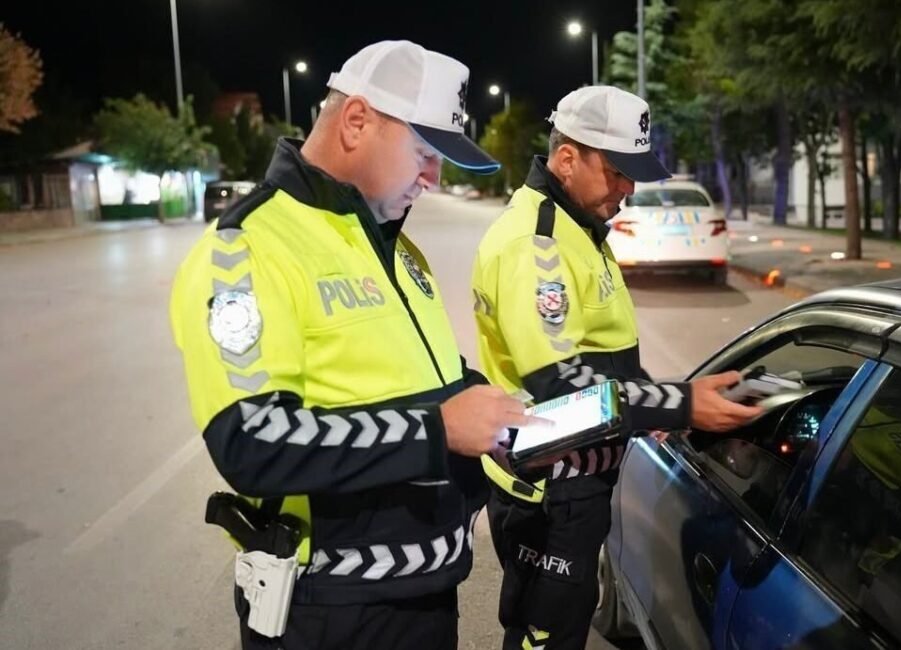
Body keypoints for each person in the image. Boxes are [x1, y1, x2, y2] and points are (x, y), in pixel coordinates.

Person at [170, 40, 531, 650]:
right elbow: (251, 442)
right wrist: (438, 431)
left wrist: (500, 417)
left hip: (426, 598)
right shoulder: (245, 248)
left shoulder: (394, 246)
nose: (433, 177)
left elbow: (425, 380)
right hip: (330, 614)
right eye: (424, 152)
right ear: (357, 120)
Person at [470, 85, 761, 650]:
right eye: (618, 172)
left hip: (575, 482)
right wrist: (680, 403)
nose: (629, 188)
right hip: (547, 491)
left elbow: (604, 355)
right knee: (543, 639)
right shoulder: (536, 244)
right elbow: (562, 386)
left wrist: (656, 406)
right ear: (567, 158)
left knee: (567, 625)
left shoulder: (577, 226)